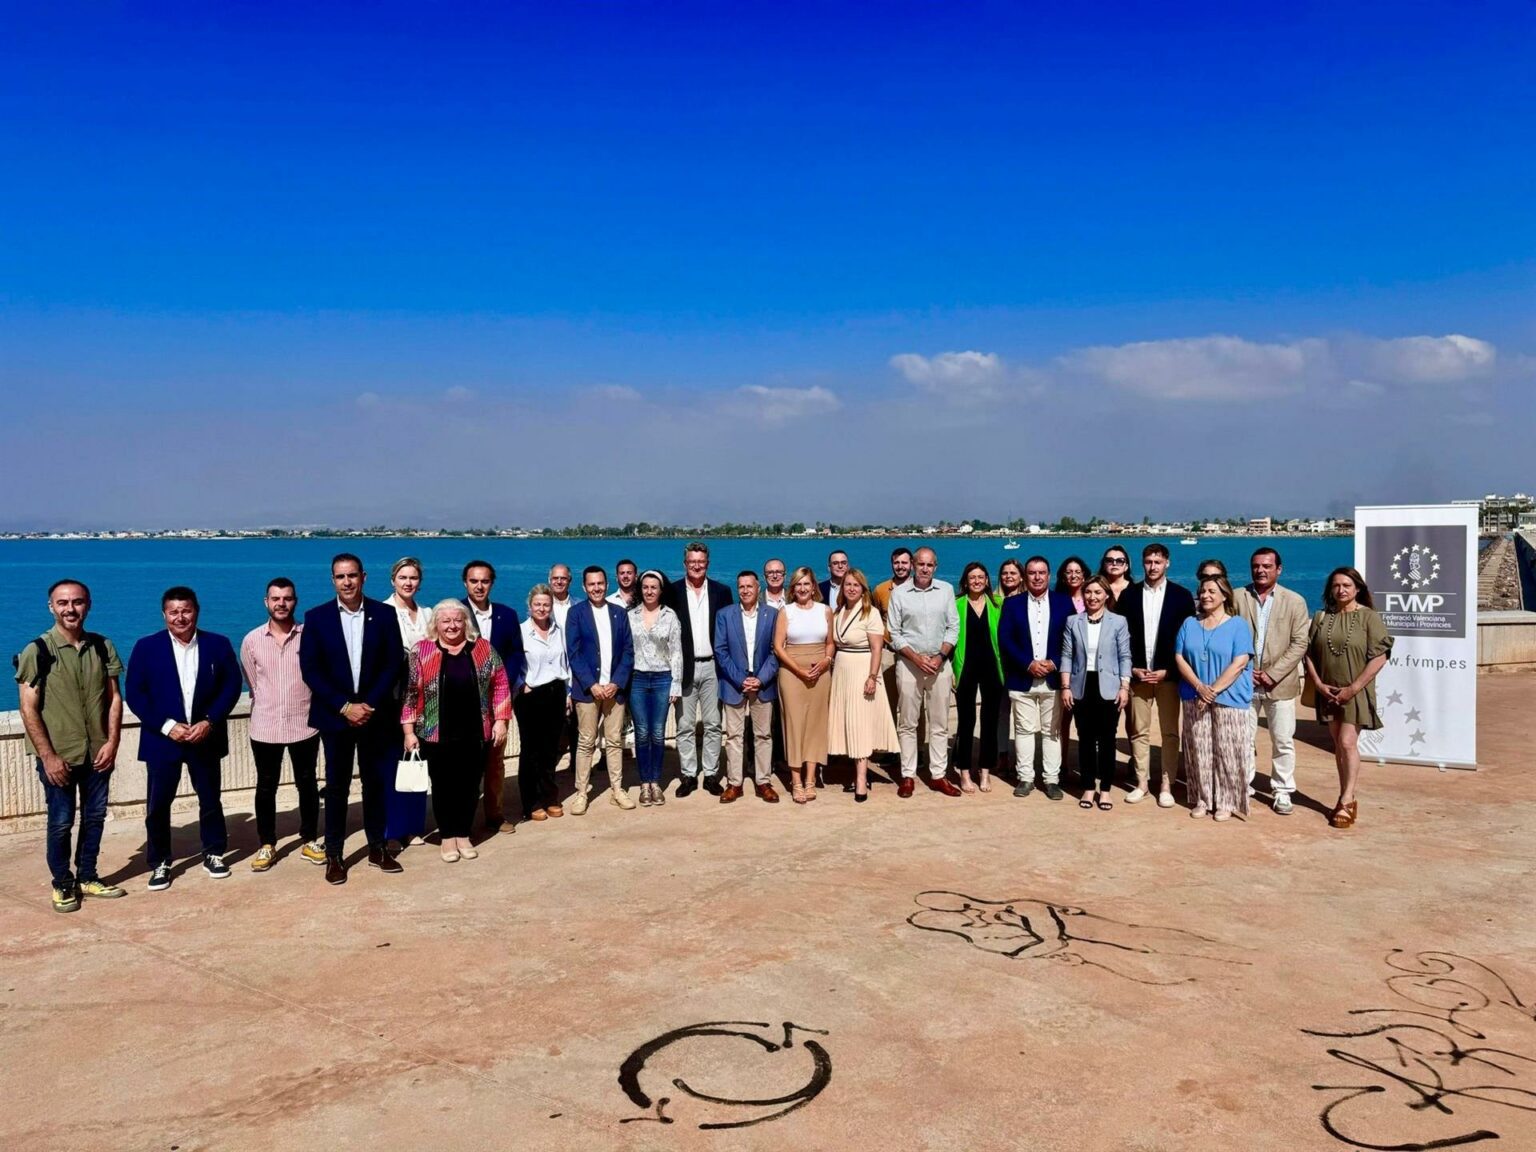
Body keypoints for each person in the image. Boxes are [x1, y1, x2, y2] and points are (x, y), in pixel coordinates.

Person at [15, 579, 125, 912]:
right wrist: (48, 756)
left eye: (77, 602)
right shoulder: (38, 650)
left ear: (88, 605)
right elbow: (28, 708)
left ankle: (87, 876)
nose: (70, 609)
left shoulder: (103, 646)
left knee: (95, 817)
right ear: (51, 607)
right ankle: (63, 883)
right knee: (61, 822)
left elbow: (114, 698)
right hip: (59, 755)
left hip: (98, 752)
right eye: (62, 603)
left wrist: (112, 742)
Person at [126, 586, 242, 891]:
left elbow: (231, 686)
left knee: (210, 800)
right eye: (173, 612)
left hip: (205, 737)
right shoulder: (146, 647)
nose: (180, 617)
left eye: (186, 610)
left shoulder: (218, 644)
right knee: (158, 805)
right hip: (163, 740)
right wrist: (167, 726)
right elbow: (136, 694)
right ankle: (159, 862)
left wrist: (209, 721)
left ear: (196, 611)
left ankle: (214, 852)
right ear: (164, 614)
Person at [300, 553, 405, 884]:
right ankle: (334, 854)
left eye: (352, 575)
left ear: (363, 577)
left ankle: (378, 848)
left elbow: (392, 662)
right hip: (336, 718)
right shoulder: (316, 617)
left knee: (376, 784)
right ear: (333, 580)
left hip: (375, 716)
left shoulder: (384, 614)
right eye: (340, 577)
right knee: (336, 787)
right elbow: (311, 669)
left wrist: (368, 704)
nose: (347, 582)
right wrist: (344, 706)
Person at [402, 601, 512, 862]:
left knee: (470, 785)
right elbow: (411, 692)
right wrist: (408, 731)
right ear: (436, 624)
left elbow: (500, 684)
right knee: (443, 786)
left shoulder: (483, 649)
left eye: (457, 620)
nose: (452, 626)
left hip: (475, 731)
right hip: (435, 732)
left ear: (465, 623)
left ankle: (463, 833)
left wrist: (501, 720)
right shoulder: (422, 651)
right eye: (445, 621)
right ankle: (447, 836)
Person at [240, 578, 323, 873]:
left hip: (304, 724)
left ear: (295, 601)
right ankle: (267, 843)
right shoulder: (251, 640)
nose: (281, 603)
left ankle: (310, 839)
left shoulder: (309, 636)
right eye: (275, 598)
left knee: (307, 784)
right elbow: (252, 682)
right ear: (266, 602)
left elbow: (318, 675)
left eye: (287, 598)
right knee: (266, 786)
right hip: (265, 726)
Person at [1304, 567, 1393, 830]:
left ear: (1358, 588)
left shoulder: (1369, 617)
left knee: (1347, 742)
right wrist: (1318, 684)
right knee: (1338, 745)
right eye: (1336, 585)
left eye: (1346, 585)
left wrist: (1353, 688)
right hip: (1328, 692)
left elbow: (1380, 657)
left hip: (1355, 692)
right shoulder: (1322, 617)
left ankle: (1347, 799)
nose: (1341, 590)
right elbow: (1308, 653)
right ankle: (1345, 793)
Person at [1232, 548, 1310, 815]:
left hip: (1280, 684)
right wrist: (1246, 670)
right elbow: (1228, 634)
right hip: (1244, 682)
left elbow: (1300, 642)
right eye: (1256, 566)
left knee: (1283, 740)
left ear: (1279, 569)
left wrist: (1272, 673)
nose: (1260, 570)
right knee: (1243, 739)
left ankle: (1283, 790)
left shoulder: (1295, 601)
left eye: (1267, 566)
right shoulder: (1237, 597)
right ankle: (1243, 785)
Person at [1118, 544, 1196, 807]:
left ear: (1167, 563)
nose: (1152, 567)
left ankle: (1166, 784)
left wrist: (1169, 671)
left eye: (1157, 562)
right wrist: (1132, 668)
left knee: (1170, 732)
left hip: (1168, 677)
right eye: (1148, 562)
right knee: (1138, 732)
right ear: (1142, 563)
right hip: (1138, 676)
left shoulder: (1181, 596)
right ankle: (1141, 783)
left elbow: (1187, 640)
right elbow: (1121, 637)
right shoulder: (1129, 595)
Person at [1174, 576, 1254, 822]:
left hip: (1229, 697)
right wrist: (1199, 687)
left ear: (1224, 595)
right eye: (1203, 591)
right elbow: (1179, 657)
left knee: (1228, 750)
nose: (1206, 595)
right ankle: (1203, 798)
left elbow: (1240, 662)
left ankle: (1226, 801)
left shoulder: (1238, 625)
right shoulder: (1189, 623)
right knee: (1199, 749)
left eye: (1211, 591)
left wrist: (1212, 692)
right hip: (1193, 695)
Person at [888, 548, 961, 798]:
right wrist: (916, 658)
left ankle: (938, 775)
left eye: (930, 565)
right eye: (921, 564)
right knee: (908, 722)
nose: (925, 569)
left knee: (939, 722)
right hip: (910, 664)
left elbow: (953, 627)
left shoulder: (946, 590)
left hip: (939, 664)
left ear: (935, 567)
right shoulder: (899, 593)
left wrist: (940, 656)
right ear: (913, 565)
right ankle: (908, 775)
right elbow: (894, 632)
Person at [999, 558, 1073, 801]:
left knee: (1052, 731)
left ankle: (1051, 780)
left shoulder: (1064, 602)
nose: (1037, 577)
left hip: (1053, 678)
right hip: (1022, 678)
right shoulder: (1012, 604)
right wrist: (1028, 663)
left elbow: (1071, 638)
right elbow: (1005, 639)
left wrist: (1054, 662)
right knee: (1023, 730)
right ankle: (1026, 778)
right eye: (1032, 573)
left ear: (1049, 576)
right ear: (1025, 576)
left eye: (1042, 573)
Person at [461, 560, 526, 833]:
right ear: (465, 583)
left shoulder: (507, 615)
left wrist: (503, 683)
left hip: (498, 699)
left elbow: (516, 653)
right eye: (474, 581)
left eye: (484, 581)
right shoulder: (455, 612)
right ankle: (462, 820)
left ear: (492, 583)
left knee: (495, 760)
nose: (479, 586)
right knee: (465, 762)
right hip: (464, 700)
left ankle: (495, 814)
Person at [565, 566, 636, 814]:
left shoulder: (619, 613)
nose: (596, 588)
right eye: (591, 584)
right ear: (584, 587)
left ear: (606, 584)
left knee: (615, 741)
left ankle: (617, 789)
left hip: (615, 690)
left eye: (600, 583)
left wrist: (616, 682)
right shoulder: (576, 614)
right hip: (587, 691)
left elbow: (628, 651)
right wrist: (591, 684)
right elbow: (573, 652)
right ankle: (581, 793)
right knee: (586, 742)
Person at [666, 542, 734, 797]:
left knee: (713, 723)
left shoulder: (722, 592)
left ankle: (711, 774)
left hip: (713, 666)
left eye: (701, 561)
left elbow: (729, 630)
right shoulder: (672, 592)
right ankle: (688, 775)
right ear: (685, 564)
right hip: (683, 667)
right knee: (684, 725)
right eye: (692, 561)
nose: (696, 565)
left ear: (708, 563)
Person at [1059, 576, 1132, 809]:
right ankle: (1089, 787)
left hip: (1109, 687)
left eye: (1098, 592)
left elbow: (1125, 656)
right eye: (1088, 592)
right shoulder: (1073, 621)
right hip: (1081, 686)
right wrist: (1065, 686)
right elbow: (1067, 655)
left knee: (1108, 739)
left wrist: (1124, 687)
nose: (1092, 597)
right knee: (1086, 739)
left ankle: (1106, 790)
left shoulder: (1118, 621)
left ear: (1106, 595)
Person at [827, 568, 899, 802]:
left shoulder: (871, 613)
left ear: (863, 589)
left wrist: (872, 676)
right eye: (848, 584)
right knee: (848, 721)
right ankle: (855, 770)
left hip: (862, 669)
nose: (851, 588)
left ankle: (861, 779)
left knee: (860, 724)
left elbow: (877, 648)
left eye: (856, 585)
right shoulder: (838, 612)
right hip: (842, 670)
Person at [714, 570, 782, 803]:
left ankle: (763, 782)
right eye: (741, 587)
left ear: (758, 588)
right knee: (734, 736)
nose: (745, 590)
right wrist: (740, 679)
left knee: (763, 735)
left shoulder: (772, 615)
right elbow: (721, 650)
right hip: (734, 684)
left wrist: (760, 679)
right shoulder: (725, 615)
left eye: (749, 586)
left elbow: (776, 650)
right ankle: (735, 783)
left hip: (763, 683)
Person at [773, 567, 835, 804]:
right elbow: (778, 646)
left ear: (813, 586)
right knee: (794, 725)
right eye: (798, 584)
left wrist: (826, 661)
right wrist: (798, 670)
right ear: (793, 588)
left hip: (820, 673)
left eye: (806, 584)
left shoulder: (825, 610)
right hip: (792, 674)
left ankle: (811, 778)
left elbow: (830, 643)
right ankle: (796, 781)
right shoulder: (786, 611)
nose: (802, 588)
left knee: (816, 725)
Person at [382, 557, 432, 850]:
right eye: (403, 577)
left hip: (424, 701)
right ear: (393, 580)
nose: (408, 583)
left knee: (417, 764)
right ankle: (391, 830)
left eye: (413, 578)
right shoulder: (383, 612)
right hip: (393, 699)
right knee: (393, 767)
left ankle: (413, 827)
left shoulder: (427, 613)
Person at [629, 570, 683, 807]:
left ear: (661, 590)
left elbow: (676, 652)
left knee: (658, 733)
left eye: (654, 587)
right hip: (637, 679)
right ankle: (644, 783)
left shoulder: (670, 616)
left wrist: (676, 683)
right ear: (640, 590)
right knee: (642, 733)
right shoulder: (630, 616)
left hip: (663, 678)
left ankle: (656, 782)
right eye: (645, 587)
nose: (649, 591)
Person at [516, 584, 570, 822]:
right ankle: (531, 801)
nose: (542, 608)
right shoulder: (521, 631)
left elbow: (565, 662)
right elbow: (512, 660)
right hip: (531, 695)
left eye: (546, 604)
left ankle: (550, 797)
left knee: (550, 749)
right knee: (531, 750)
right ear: (529, 606)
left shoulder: (559, 630)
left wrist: (567, 692)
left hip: (556, 691)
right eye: (537, 604)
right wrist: (520, 684)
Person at [952, 561, 1003, 793]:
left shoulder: (997, 604)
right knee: (966, 720)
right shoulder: (956, 604)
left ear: (987, 580)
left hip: (992, 668)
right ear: (965, 581)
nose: (977, 581)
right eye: (972, 577)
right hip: (965, 668)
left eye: (981, 577)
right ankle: (964, 771)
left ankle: (985, 771)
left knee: (990, 721)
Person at [995, 557, 1026, 772]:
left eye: (1013, 573)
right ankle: (1002, 754)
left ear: (1021, 576)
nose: (1008, 576)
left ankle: (1022, 758)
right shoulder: (993, 600)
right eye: (1005, 573)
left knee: (1023, 715)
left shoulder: (1029, 600)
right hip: (998, 664)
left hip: (1022, 664)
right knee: (1001, 712)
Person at [548, 564, 575, 628]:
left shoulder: (580, 605)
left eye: (563, 578)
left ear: (570, 581)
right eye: (555, 578)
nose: (559, 582)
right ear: (549, 580)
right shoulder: (539, 606)